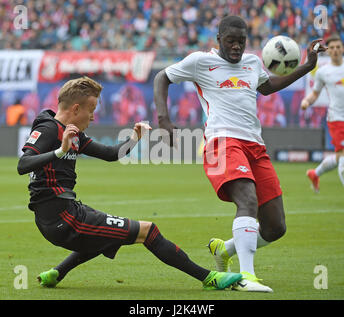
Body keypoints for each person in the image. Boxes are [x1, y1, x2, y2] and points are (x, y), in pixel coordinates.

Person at [17, 76, 242, 290]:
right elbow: (23, 163)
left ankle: (57, 273)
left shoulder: (73, 134)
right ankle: (209, 278)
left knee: (107, 236)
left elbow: (112, 154)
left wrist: (135, 137)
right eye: (91, 110)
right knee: (148, 230)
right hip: (63, 219)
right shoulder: (48, 129)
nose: (93, 117)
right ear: (76, 109)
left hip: (61, 215)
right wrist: (60, 151)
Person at [154, 15, 325, 292]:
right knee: (247, 199)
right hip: (222, 142)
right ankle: (246, 278)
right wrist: (164, 118)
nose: (236, 47)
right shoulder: (200, 61)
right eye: (231, 41)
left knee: (275, 227)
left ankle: (225, 250)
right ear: (219, 39)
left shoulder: (253, 62)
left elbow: (267, 87)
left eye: (241, 42)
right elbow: (162, 76)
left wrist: (307, 66)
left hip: (255, 146)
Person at [301, 34, 344, 192]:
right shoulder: (323, 72)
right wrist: (306, 101)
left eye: (338, 47)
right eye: (332, 48)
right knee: (343, 160)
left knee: (340, 157)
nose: (335, 50)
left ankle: (315, 173)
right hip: (337, 119)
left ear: (342, 48)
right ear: (328, 51)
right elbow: (315, 93)